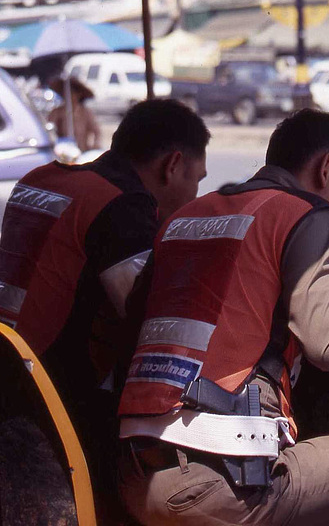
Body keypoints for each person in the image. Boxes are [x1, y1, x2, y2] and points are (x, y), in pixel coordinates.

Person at [118, 109, 329, 526]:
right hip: (222, 490)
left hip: (135, 478)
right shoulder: (305, 212)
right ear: (324, 169)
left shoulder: (183, 218)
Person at [0, 99, 209, 514]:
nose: (197, 193)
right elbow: (153, 323)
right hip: (51, 401)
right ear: (172, 165)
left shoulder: (42, 178)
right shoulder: (121, 206)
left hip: (12, 370)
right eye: (197, 179)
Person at [48, 75, 102, 152]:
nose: (68, 95)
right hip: (63, 152)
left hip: (82, 151)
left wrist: (95, 144)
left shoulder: (86, 112)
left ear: (79, 94)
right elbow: (50, 130)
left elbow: (96, 131)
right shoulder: (56, 112)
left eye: (72, 92)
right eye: (65, 92)